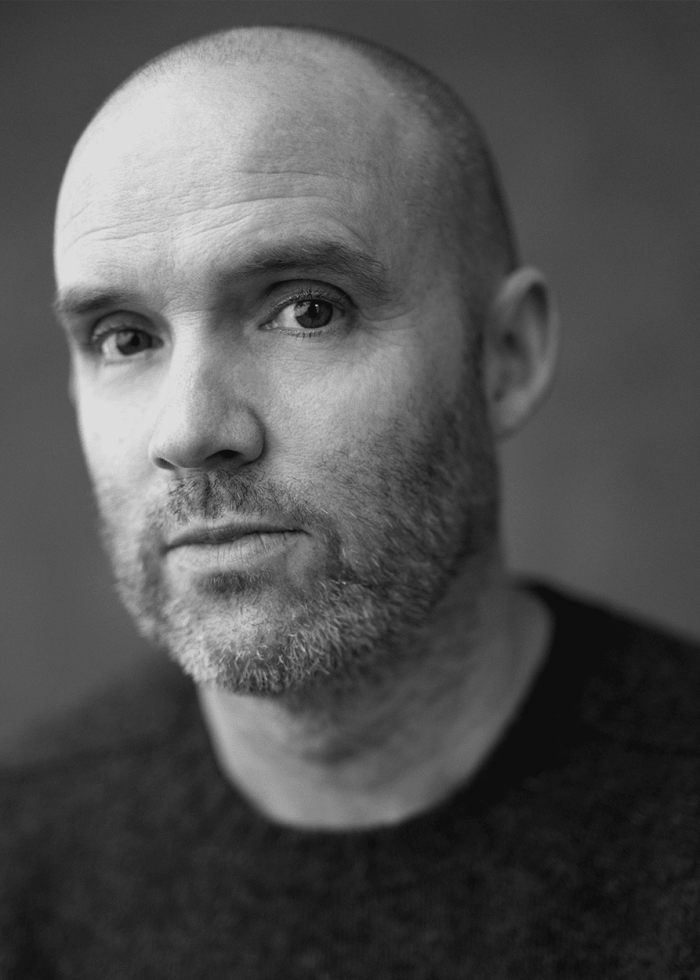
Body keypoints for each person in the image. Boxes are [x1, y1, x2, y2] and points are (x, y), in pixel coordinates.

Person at [1, 24, 699, 978]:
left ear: (506, 359)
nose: (191, 430)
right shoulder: (22, 859)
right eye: (124, 337)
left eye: (307, 309)